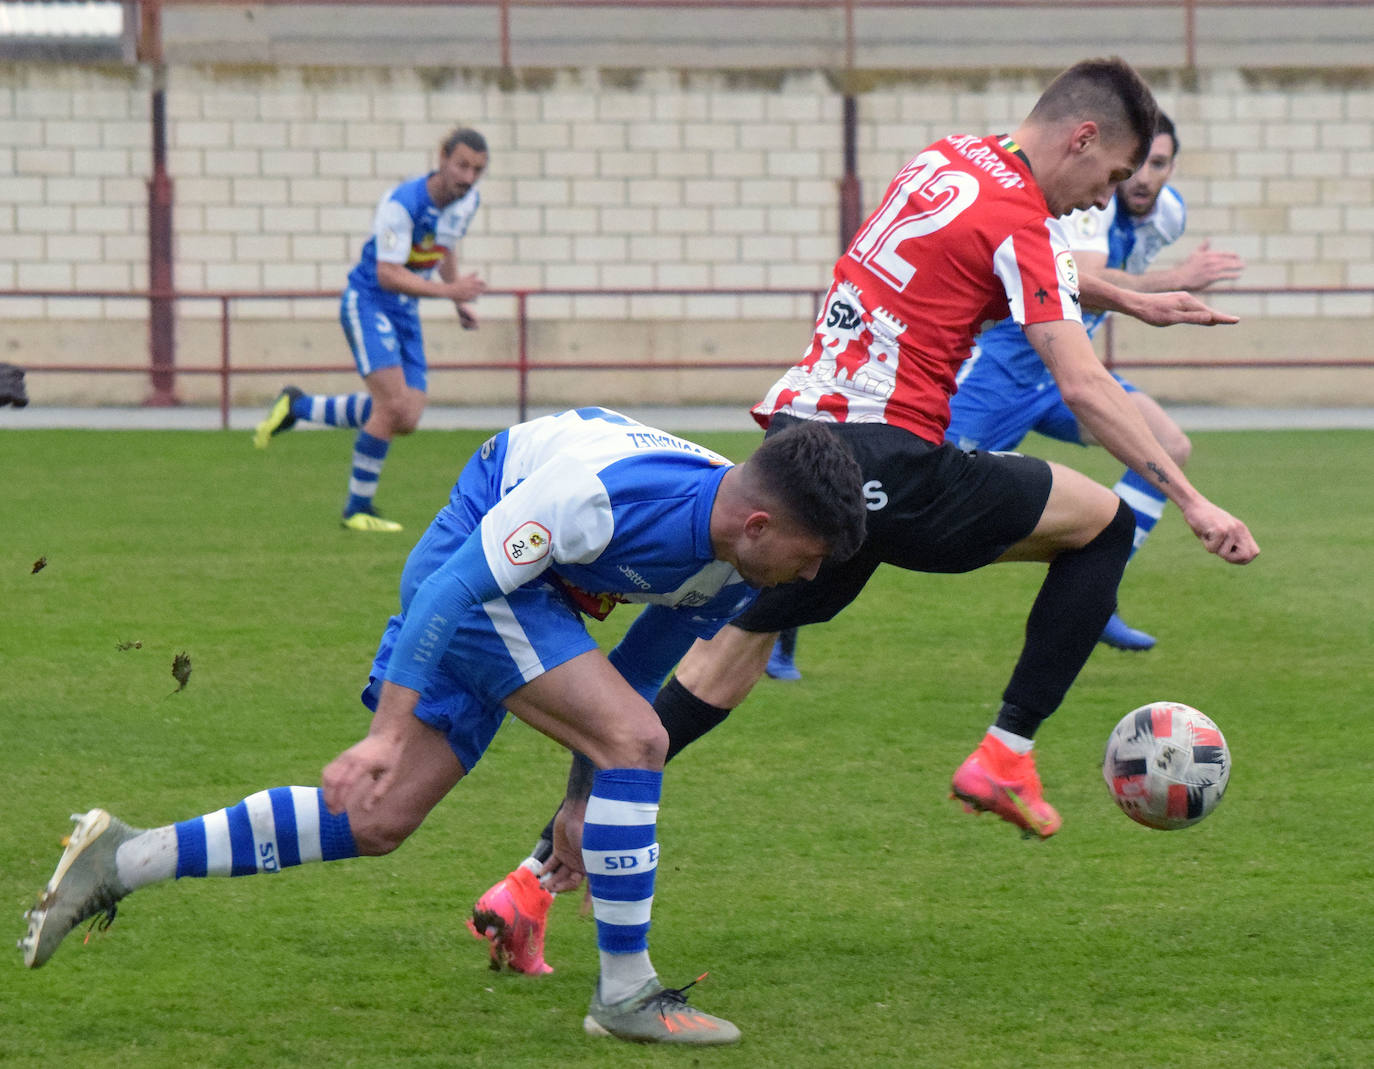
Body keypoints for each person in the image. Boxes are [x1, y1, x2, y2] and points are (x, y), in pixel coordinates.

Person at [463, 57, 1260, 978]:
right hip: (890, 458)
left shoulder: (948, 161)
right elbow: (1080, 382)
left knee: (724, 663)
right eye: (1111, 175)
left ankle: (527, 886)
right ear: (1083, 139)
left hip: (804, 451)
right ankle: (1006, 751)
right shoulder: (1023, 215)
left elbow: (1011, 261)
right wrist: (1193, 500)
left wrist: (1129, 296)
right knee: (1106, 523)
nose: (1101, 196)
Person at [19, 407, 868, 1048]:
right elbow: (454, 586)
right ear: (759, 524)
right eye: (811, 552)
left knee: (378, 821)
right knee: (638, 743)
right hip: (471, 571)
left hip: (535, 597)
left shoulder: (732, 564)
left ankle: (122, 857)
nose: (815, 573)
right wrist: (387, 731)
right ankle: (626, 993)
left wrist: (585, 795)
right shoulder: (602, 500)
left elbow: (636, 675)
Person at [947, 112, 1245, 650]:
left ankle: (1095, 599)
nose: (1141, 178)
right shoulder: (1092, 208)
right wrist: (1174, 282)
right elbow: (1086, 277)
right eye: (1133, 164)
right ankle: (776, 615)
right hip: (1002, 372)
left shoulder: (1168, 215)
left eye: (1156, 164)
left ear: (1172, 166)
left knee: (1169, 446)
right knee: (893, 500)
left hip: (1066, 373)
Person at [252, 127, 490, 533]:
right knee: (393, 405)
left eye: (477, 170)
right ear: (442, 158)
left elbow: (444, 249)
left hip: (405, 308)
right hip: (369, 301)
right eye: (462, 165)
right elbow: (387, 273)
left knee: (407, 416)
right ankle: (357, 510)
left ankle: (298, 407)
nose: (467, 178)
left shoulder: (467, 203)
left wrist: (457, 301)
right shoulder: (402, 204)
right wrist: (448, 289)